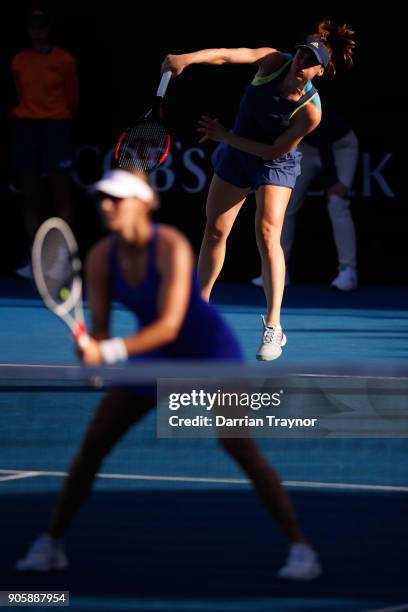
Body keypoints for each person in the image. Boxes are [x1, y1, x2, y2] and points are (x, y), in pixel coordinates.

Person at [16, 168, 321, 581]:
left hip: (210, 354)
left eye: (116, 199)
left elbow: (170, 324)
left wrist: (108, 350)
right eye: (103, 198)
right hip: (152, 358)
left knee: (240, 449)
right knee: (93, 446)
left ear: (144, 204)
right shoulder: (102, 258)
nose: (106, 206)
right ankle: (50, 542)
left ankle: (300, 546)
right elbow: (102, 332)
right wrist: (95, 359)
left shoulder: (171, 248)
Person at [161, 19, 356, 360]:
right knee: (214, 232)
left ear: (320, 72)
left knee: (267, 233)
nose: (301, 63)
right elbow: (226, 55)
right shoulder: (272, 61)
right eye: (300, 55)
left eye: (311, 62)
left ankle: (274, 326)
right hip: (237, 154)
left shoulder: (311, 111)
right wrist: (186, 59)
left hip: (272, 163)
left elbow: (271, 152)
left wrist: (225, 137)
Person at [252, 107, 359, 290]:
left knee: (337, 202)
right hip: (305, 148)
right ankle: (277, 271)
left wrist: (333, 181)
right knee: (284, 206)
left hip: (341, 146)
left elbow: (322, 138)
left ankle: (348, 270)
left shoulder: (311, 101)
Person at [11, 8, 78, 278]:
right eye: (32, 26)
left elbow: (73, 100)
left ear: (48, 28)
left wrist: (57, 119)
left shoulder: (65, 60)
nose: (37, 31)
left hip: (56, 127)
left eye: (41, 26)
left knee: (61, 195)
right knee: (30, 197)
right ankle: (36, 259)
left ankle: (62, 258)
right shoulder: (19, 60)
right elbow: (20, 93)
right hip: (27, 128)